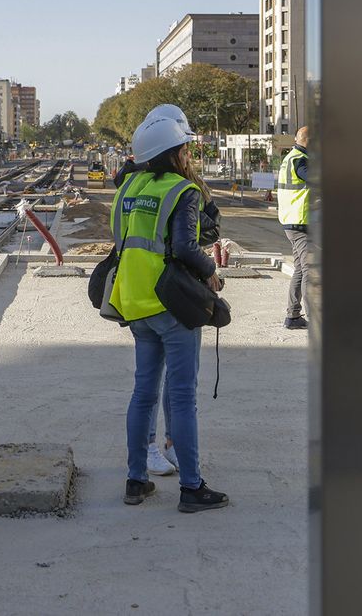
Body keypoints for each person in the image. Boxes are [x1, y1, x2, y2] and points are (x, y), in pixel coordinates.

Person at [113, 113, 229, 512]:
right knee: (181, 398)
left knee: (143, 392)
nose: (187, 154)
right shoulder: (183, 191)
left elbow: (121, 239)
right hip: (173, 303)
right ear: (174, 153)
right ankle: (191, 488)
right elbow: (184, 246)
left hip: (134, 301)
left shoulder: (128, 187)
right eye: (184, 148)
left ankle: (135, 481)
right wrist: (211, 271)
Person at [278, 126, 310, 330]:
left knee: (300, 268)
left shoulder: (291, 157)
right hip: (300, 222)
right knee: (310, 270)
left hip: (293, 220)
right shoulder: (300, 160)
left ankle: (293, 316)